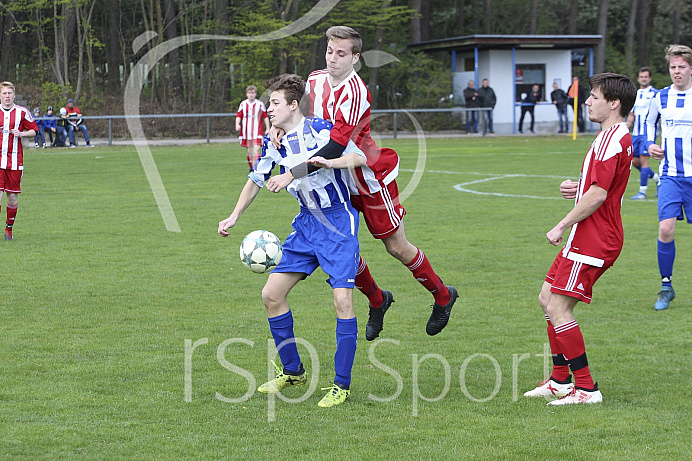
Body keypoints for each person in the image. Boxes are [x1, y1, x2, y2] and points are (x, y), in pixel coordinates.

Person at [267, 26, 458, 341]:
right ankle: (378, 299)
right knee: (343, 248)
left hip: (366, 177)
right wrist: (278, 127)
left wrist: (292, 172)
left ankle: (442, 295)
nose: (333, 59)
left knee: (395, 246)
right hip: (332, 179)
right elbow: (296, 111)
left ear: (355, 58)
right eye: (330, 51)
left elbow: (335, 147)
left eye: (341, 54)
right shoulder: (314, 80)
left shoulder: (354, 91)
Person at [218, 74, 367, 408]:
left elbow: (359, 157)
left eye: (274, 103)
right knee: (271, 295)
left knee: (342, 302)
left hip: (338, 223)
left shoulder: (321, 130)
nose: (268, 109)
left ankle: (340, 385)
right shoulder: (276, 141)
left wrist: (322, 163)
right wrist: (234, 216)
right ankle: (293, 371)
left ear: (292, 106)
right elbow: (256, 178)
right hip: (306, 225)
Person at [524, 73, 636, 405]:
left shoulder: (609, 140)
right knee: (547, 297)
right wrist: (577, 187)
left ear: (613, 103)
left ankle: (586, 388)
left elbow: (600, 194)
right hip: (588, 234)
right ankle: (560, 380)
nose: (587, 101)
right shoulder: (613, 136)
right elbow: (599, 186)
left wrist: (561, 225)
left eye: (594, 96)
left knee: (559, 306)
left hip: (595, 237)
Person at [645, 45, 692, 311]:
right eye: (673, 67)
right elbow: (649, 123)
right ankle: (666, 286)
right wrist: (650, 144)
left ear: (690, 69)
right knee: (665, 229)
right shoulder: (661, 97)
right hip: (671, 176)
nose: (676, 71)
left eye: (681, 67)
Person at [0, 81, 38, 241]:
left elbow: (34, 131)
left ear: (14, 95)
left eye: (9, 93)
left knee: (12, 198)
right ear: (0, 96)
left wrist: (22, 134)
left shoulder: (22, 112)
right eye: (4, 93)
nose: (7, 96)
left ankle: (9, 228)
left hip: (15, 161)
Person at [629, 67, 659, 200]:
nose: (644, 79)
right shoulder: (635, 94)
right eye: (641, 77)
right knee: (634, 161)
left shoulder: (655, 94)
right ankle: (658, 179)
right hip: (636, 134)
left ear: (650, 78)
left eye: (646, 76)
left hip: (647, 134)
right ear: (638, 78)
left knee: (644, 160)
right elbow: (632, 114)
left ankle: (642, 192)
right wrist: (625, 127)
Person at [235, 85, 270, 169]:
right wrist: (237, 124)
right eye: (249, 93)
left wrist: (268, 128)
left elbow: (265, 116)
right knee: (249, 150)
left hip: (257, 130)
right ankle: (252, 168)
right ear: (247, 94)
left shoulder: (260, 104)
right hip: (246, 131)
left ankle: (256, 168)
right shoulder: (243, 104)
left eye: (253, 93)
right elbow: (239, 115)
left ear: (255, 94)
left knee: (257, 149)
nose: (251, 95)